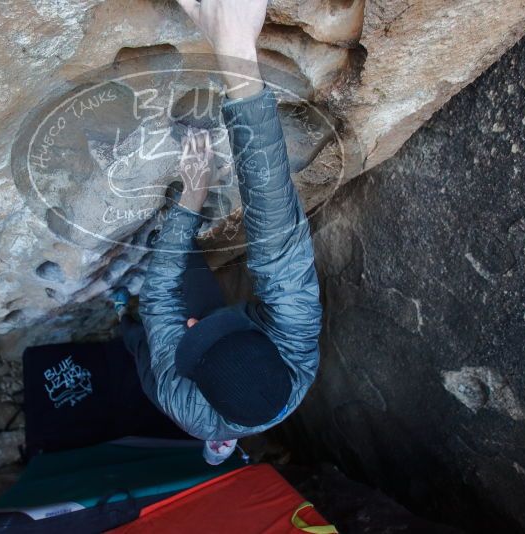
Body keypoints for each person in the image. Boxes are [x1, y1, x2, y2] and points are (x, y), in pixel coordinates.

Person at [114, 0, 322, 464]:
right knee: (185, 274)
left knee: (141, 340)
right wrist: (238, 59)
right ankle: (135, 297)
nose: (192, 325)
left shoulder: (181, 400)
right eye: (210, 330)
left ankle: (121, 316)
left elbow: (160, 301)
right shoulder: (295, 357)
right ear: (268, 338)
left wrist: (192, 197)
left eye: (193, 341)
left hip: (160, 371)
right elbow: (276, 233)